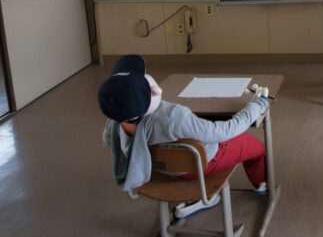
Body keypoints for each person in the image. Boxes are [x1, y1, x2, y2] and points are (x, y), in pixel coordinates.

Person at [99, 54, 270, 217]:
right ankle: (261, 184)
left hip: (159, 168)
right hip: (200, 163)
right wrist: (256, 106)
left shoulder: (113, 123)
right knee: (257, 148)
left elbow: (110, 142)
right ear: (154, 91)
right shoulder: (173, 117)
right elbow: (223, 132)